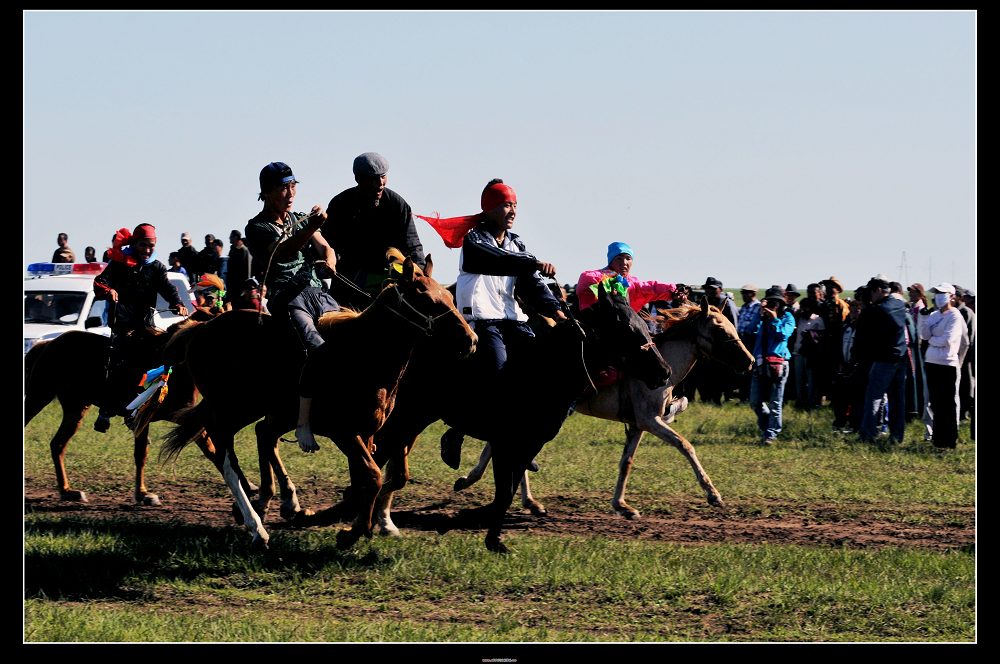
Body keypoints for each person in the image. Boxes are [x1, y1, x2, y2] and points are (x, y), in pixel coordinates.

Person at [424, 178, 566, 469]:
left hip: (511, 318)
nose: (512, 210)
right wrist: (531, 262)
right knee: (497, 366)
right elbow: (493, 260)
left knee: (538, 366)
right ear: (488, 209)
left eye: (514, 205)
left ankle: (521, 437)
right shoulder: (475, 239)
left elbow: (532, 285)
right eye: (505, 204)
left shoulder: (517, 244)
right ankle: (458, 430)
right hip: (480, 316)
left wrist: (557, 310)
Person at [244, 161, 340, 452]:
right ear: (267, 192)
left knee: (352, 340)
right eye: (283, 188)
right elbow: (283, 253)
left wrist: (329, 264)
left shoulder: (299, 218)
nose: (290, 193)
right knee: (317, 349)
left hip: (317, 292)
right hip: (288, 297)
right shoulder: (257, 227)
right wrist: (311, 226)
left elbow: (326, 248)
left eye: (293, 186)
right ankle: (303, 424)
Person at [92, 223, 189, 432]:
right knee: (118, 363)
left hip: (146, 325)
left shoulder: (157, 267)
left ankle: (146, 407)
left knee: (164, 357)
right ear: (135, 244)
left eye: (151, 246)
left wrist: (178, 303)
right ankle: (106, 411)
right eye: (144, 246)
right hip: (123, 326)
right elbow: (100, 281)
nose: (147, 250)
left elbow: (167, 288)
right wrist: (108, 290)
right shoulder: (118, 264)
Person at [324, 152, 425, 309]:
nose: (380, 183)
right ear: (359, 179)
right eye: (373, 178)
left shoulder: (398, 205)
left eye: (383, 176)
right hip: (350, 281)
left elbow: (413, 246)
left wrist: (419, 274)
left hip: (389, 281)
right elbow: (327, 244)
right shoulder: (340, 204)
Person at [575, 242, 679, 389]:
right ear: (611, 261)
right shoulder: (594, 276)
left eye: (628, 258)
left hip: (623, 330)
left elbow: (651, 287)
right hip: (595, 330)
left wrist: (673, 291)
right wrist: (610, 280)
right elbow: (585, 283)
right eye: (619, 259)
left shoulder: (632, 282)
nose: (624, 263)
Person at [854, 275, 909, 444]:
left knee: (874, 397)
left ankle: (868, 434)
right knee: (897, 399)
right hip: (900, 357)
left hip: (883, 359)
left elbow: (866, 335)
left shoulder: (877, 310)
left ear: (878, 290)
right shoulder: (899, 305)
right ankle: (897, 436)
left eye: (871, 291)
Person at [918, 283, 969, 449]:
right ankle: (938, 440)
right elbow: (924, 335)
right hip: (932, 363)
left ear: (951, 296)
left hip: (947, 364)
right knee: (936, 403)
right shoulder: (933, 315)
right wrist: (925, 320)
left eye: (942, 293)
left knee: (948, 404)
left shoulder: (955, 316)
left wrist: (933, 339)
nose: (938, 296)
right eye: (937, 293)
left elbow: (948, 340)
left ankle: (949, 439)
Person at [749, 286, 796, 446]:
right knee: (755, 401)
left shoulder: (788, 317)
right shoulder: (763, 318)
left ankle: (771, 434)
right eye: (771, 302)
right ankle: (768, 426)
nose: (773, 305)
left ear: (782, 303)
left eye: (777, 302)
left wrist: (775, 318)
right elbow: (750, 330)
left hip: (779, 364)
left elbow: (783, 334)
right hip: (760, 363)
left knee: (775, 402)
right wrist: (759, 314)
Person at [736, 284, 761, 402]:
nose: (744, 295)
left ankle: (749, 397)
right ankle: (743, 396)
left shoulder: (758, 307)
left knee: (751, 369)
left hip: (752, 340)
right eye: (743, 293)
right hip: (742, 340)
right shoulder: (744, 307)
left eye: (746, 293)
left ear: (753, 293)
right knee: (743, 369)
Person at [225, 229, 252, 306]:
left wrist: (245, 288)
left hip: (240, 288)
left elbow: (247, 271)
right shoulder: (232, 251)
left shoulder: (244, 250)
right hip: (232, 287)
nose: (229, 238)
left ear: (236, 237)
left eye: (231, 236)